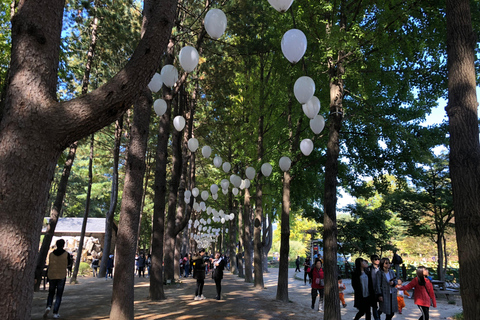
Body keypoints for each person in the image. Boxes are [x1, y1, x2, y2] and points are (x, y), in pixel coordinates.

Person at [44, 239, 72, 319]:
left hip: (52, 275)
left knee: (51, 292)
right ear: (63, 245)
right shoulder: (66, 254)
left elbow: (50, 264)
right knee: (59, 295)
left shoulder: (51, 254)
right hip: (61, 275)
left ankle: (48, 306)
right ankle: (55, 312)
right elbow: (69, 264)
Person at [366, 255, 381, 320]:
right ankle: (377, 318)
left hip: (381, 290)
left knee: (383, 306)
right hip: (372, 290)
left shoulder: (382, 268)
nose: (377, 260)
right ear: (372, 260)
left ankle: (377, 315)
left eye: (378, 259)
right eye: (375, 259)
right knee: (374, 306)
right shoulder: (368, 269)